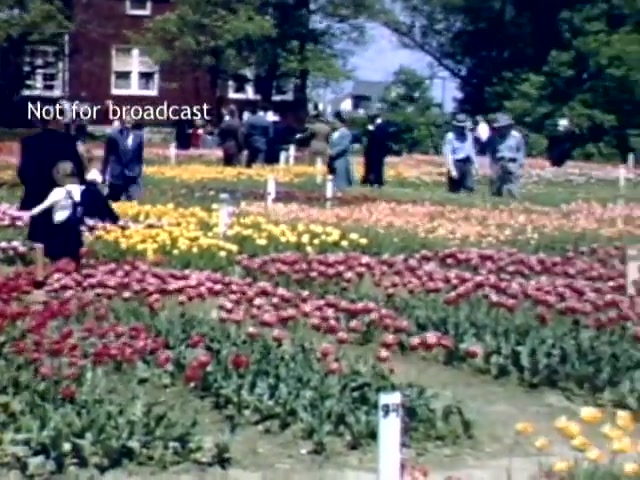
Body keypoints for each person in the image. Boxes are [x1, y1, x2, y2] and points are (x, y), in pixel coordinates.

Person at [18, 160, 118, 265]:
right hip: (85, 236)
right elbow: (109, 214)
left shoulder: (59, 192)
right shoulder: (92, 192)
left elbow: (37, 211)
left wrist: (17, 215)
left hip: (62, 237)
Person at [17, 117, 86, 249]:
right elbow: (77, 169)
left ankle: (39, 260)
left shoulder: (29, 142)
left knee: (39, 232)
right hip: (62, 192)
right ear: (56, 121)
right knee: (61, 230)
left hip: (36, 193)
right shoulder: (69, 141)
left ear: (39, 122)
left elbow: (23, 171)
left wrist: (31, 186)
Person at [102, 114, 144, 201]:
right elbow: (107, 155)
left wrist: (139, 170)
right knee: (114, 202)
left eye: (130, 119)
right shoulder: (113, 136)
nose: (128, 121)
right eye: (126, 119)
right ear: (122, 121)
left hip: (132, 175)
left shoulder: (139, 137)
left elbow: (139, 157)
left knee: (133, 203)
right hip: (117, 176)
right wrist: (104, 172)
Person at [487, 113, 526, 198]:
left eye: (503, 127)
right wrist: (492, 165)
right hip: (499, 162)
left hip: (512, 162)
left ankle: (514, 199)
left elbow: (521, 150)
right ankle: (496, 199)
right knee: (496, 184)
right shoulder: (493, 137)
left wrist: (520, 164)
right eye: (499, 127)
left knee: (512, 184)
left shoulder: (517, 136)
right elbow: (491, 152)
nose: (501, 129)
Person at [443, 113, 478, 193]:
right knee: (455, 189)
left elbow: (471, 150)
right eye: (460, 127)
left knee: (469, 188)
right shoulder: (450, 136)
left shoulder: (469, 135)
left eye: (463, 127)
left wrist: (475, 164)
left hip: (467, 162)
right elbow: (448, 153)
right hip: (456, 163)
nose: (462, 129)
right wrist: (452, 169)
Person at [362, 111, 393, 187]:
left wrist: (372, 131)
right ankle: (370, 180)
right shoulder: (375, 125)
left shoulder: (382, 126)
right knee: (370, 166)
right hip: (371, 151)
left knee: (377, 167)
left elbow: (381, 138)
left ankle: (377, 181)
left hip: (378, 151)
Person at [328, 111, 354, 192]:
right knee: (332, 178)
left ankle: (340, 192)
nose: (333, 124)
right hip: (332, 160)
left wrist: (333, 152)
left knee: (340, 179)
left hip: (340, 159)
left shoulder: (345, 133)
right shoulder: (334, 133)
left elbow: (344, 146)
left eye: (335, 122)